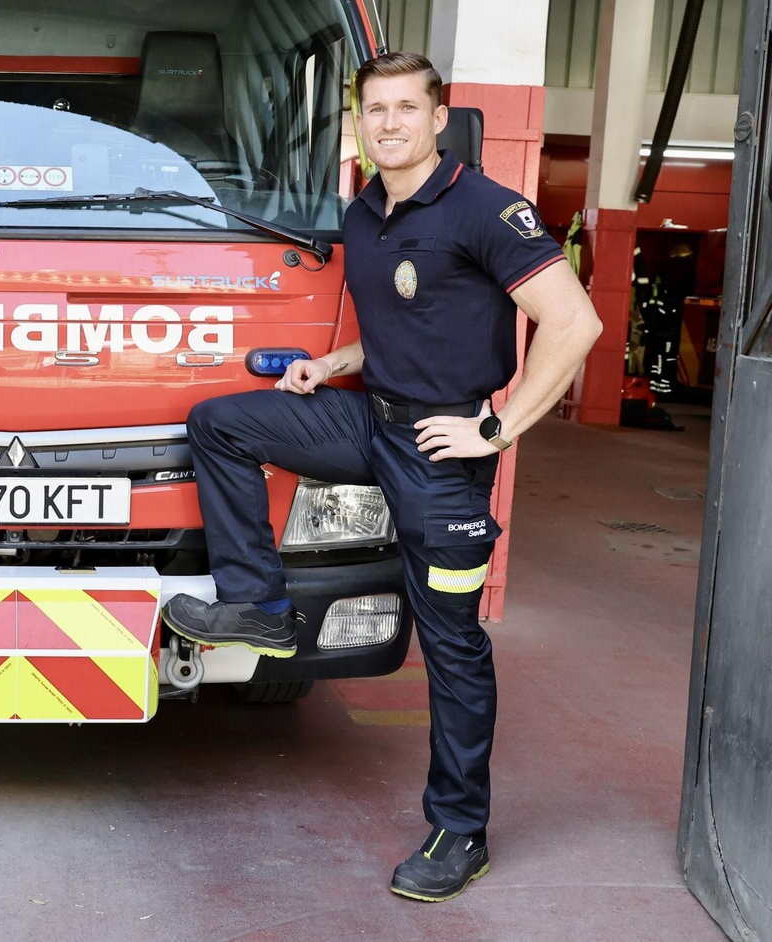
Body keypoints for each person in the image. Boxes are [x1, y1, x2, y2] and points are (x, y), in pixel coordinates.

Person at [163, 52, 603, 902]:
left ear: (441, 118)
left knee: (452, 646)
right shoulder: (363, 215)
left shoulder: (485, 209)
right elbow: (407, 325)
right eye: (375, 110)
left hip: (445, 454)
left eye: (407, 108)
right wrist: (330, 365)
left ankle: (459, 829)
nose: (390, 123)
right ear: (358, 123)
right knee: (222, 422)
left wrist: (495, 428)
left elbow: (574, 321)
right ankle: (260, 606)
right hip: (372, 419)